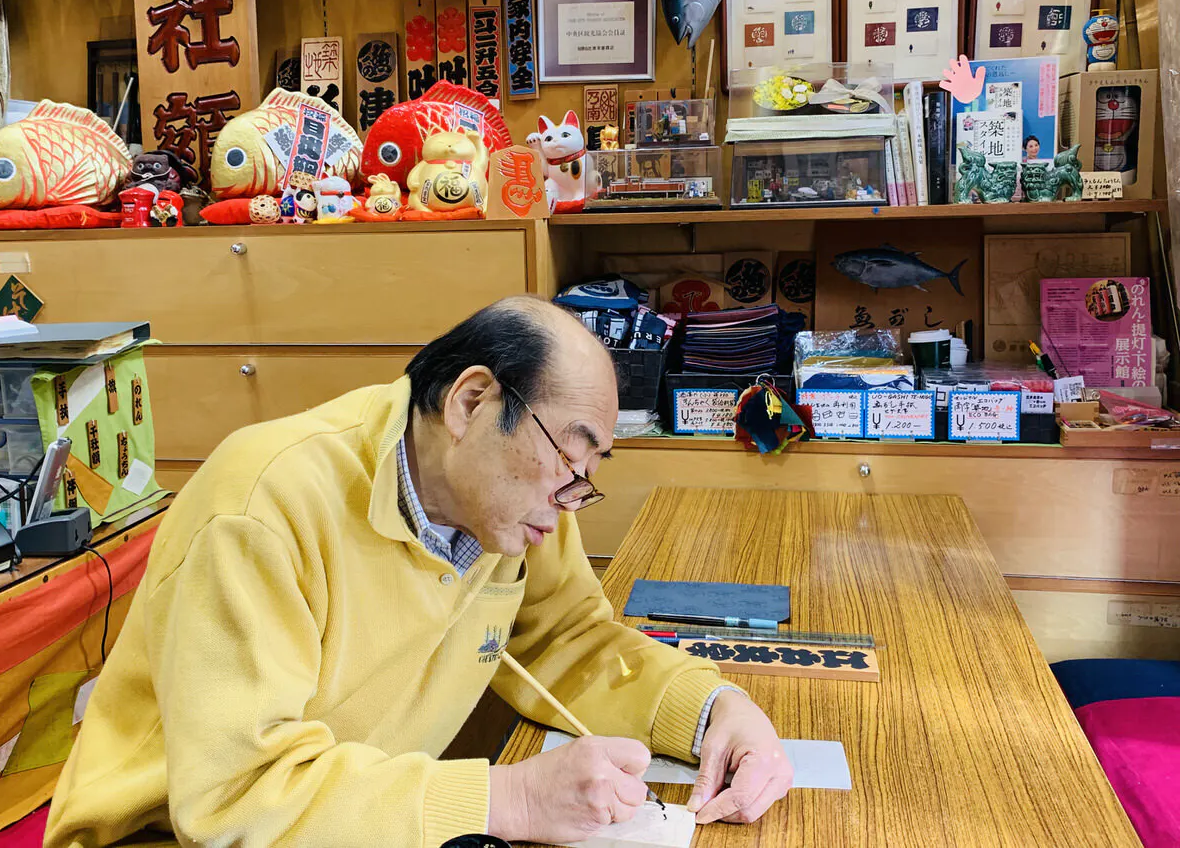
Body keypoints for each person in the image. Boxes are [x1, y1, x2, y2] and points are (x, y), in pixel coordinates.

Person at [45, 297, 793, 848]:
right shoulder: (265, 506)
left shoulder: (514, 510)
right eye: (569, 458)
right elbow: (235, 800)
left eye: (588, 473)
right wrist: (511, 800)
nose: (572, 499)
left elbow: (569, 639)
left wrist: (713, 709)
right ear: (471, 402)